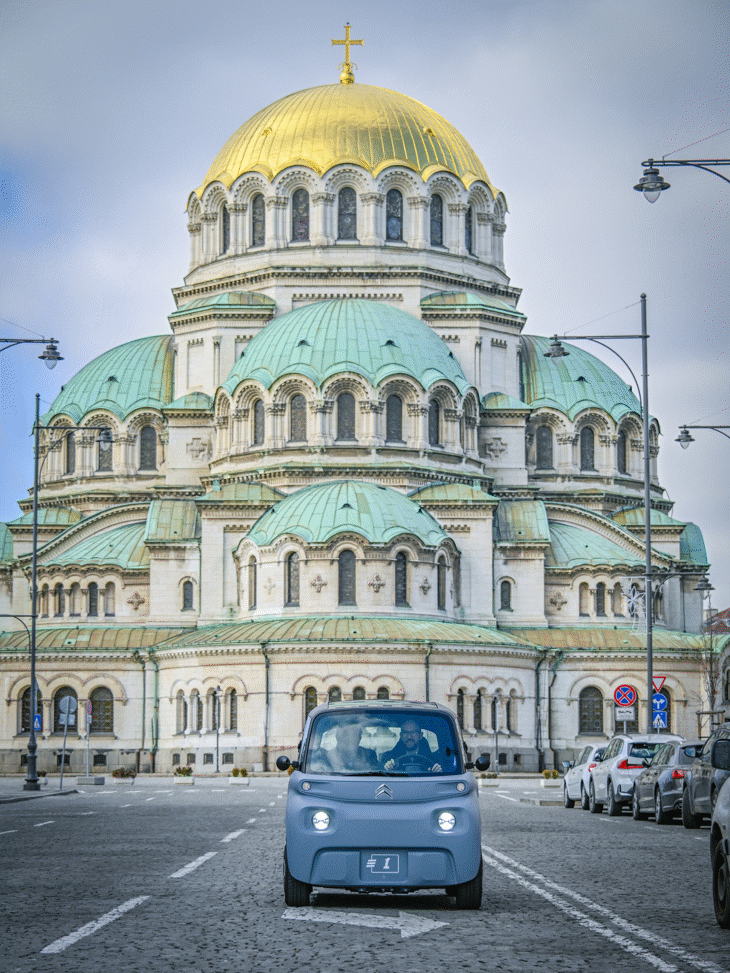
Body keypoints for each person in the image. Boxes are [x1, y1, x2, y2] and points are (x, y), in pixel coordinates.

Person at [310, 720, 379, 774]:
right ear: (337, 737)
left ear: (359, 738)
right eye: (345, 734)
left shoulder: (370, 755)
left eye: (353, 735)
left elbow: (378, 775)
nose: (348, 739)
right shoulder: (326, 757)